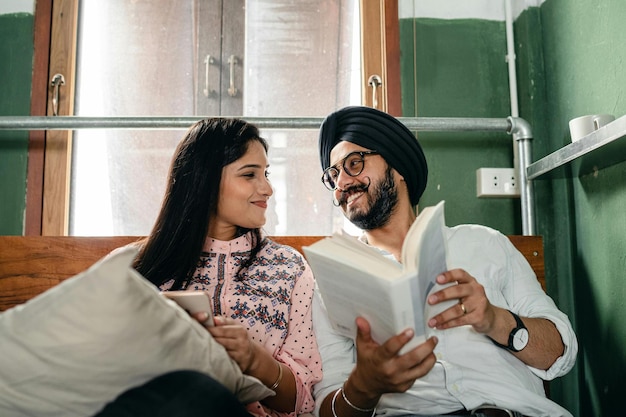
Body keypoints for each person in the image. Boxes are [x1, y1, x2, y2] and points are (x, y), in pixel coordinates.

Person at [312, 106, 578, 417]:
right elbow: (326, 408)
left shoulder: (484, 242)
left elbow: (560, 354)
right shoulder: (333, 283)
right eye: (333, 176)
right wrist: (364, 385)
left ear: (397, 167)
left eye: (353, 164)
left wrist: (495, 320)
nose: (342, 182)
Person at [98, 118, 322, 417]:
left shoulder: (289, 268)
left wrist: (255, 360)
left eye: (265, 173)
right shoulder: (128, 265)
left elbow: (306, 403)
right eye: (249, 174)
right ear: (205, 179)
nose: (267, 188)